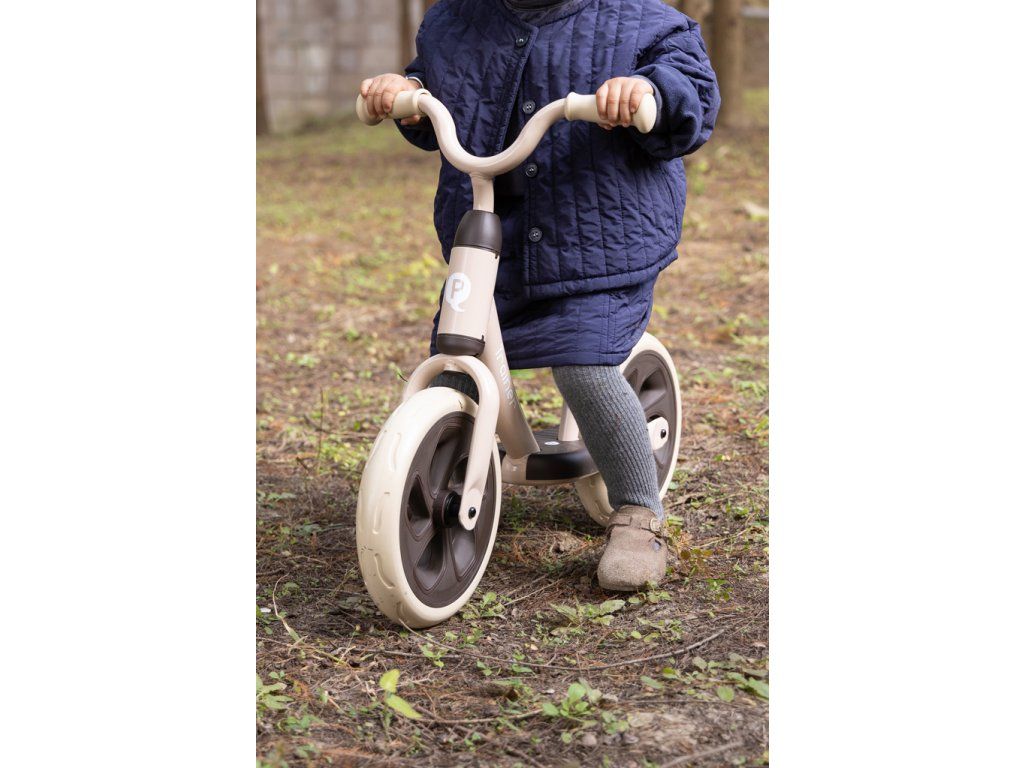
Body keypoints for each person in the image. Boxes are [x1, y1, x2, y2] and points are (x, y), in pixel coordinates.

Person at [359, 0, 720, 591]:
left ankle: (638, 513)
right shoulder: (455, 21)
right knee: (456, 363)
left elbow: (691, 99)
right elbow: (444, 91)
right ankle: (438, 469)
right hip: (494, 236)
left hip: (597, 244)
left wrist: (648, 93)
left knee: (584, 365)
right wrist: (407, 94)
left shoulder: (645, 21)